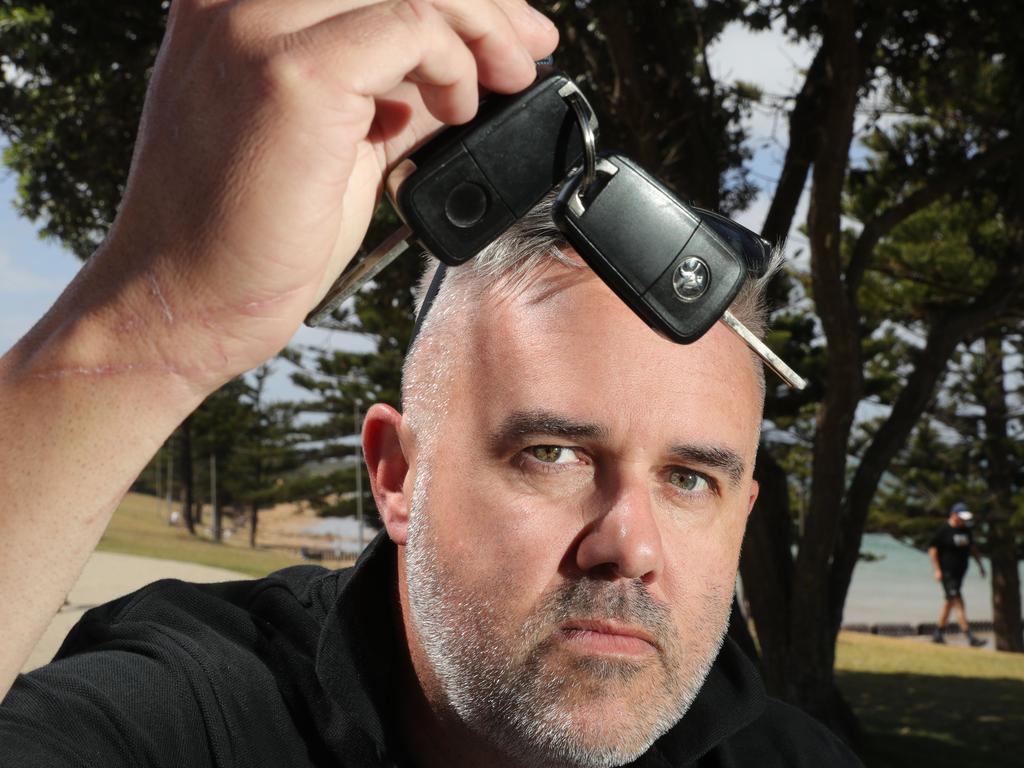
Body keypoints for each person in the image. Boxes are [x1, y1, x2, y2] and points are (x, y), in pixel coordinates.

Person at [0, 1, 862, 765]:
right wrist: (153, 326)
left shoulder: (791, 756)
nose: (629, 547)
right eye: (552, 452)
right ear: (398, 476)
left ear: (741, 514)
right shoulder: (194, 714)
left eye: (688, 479)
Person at [928, 502, 987, 646]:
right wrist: (937, 570)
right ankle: (970, 637)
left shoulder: (966, 531)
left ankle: (938, 634)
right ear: (953, 515)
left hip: (960, 574)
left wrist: (980, 565)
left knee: (949, 603)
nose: (964, 521)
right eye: (962, 517)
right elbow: (932, 550)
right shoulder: (944, 530)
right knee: (958, 602)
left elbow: (973, 549)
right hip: (947, 573)